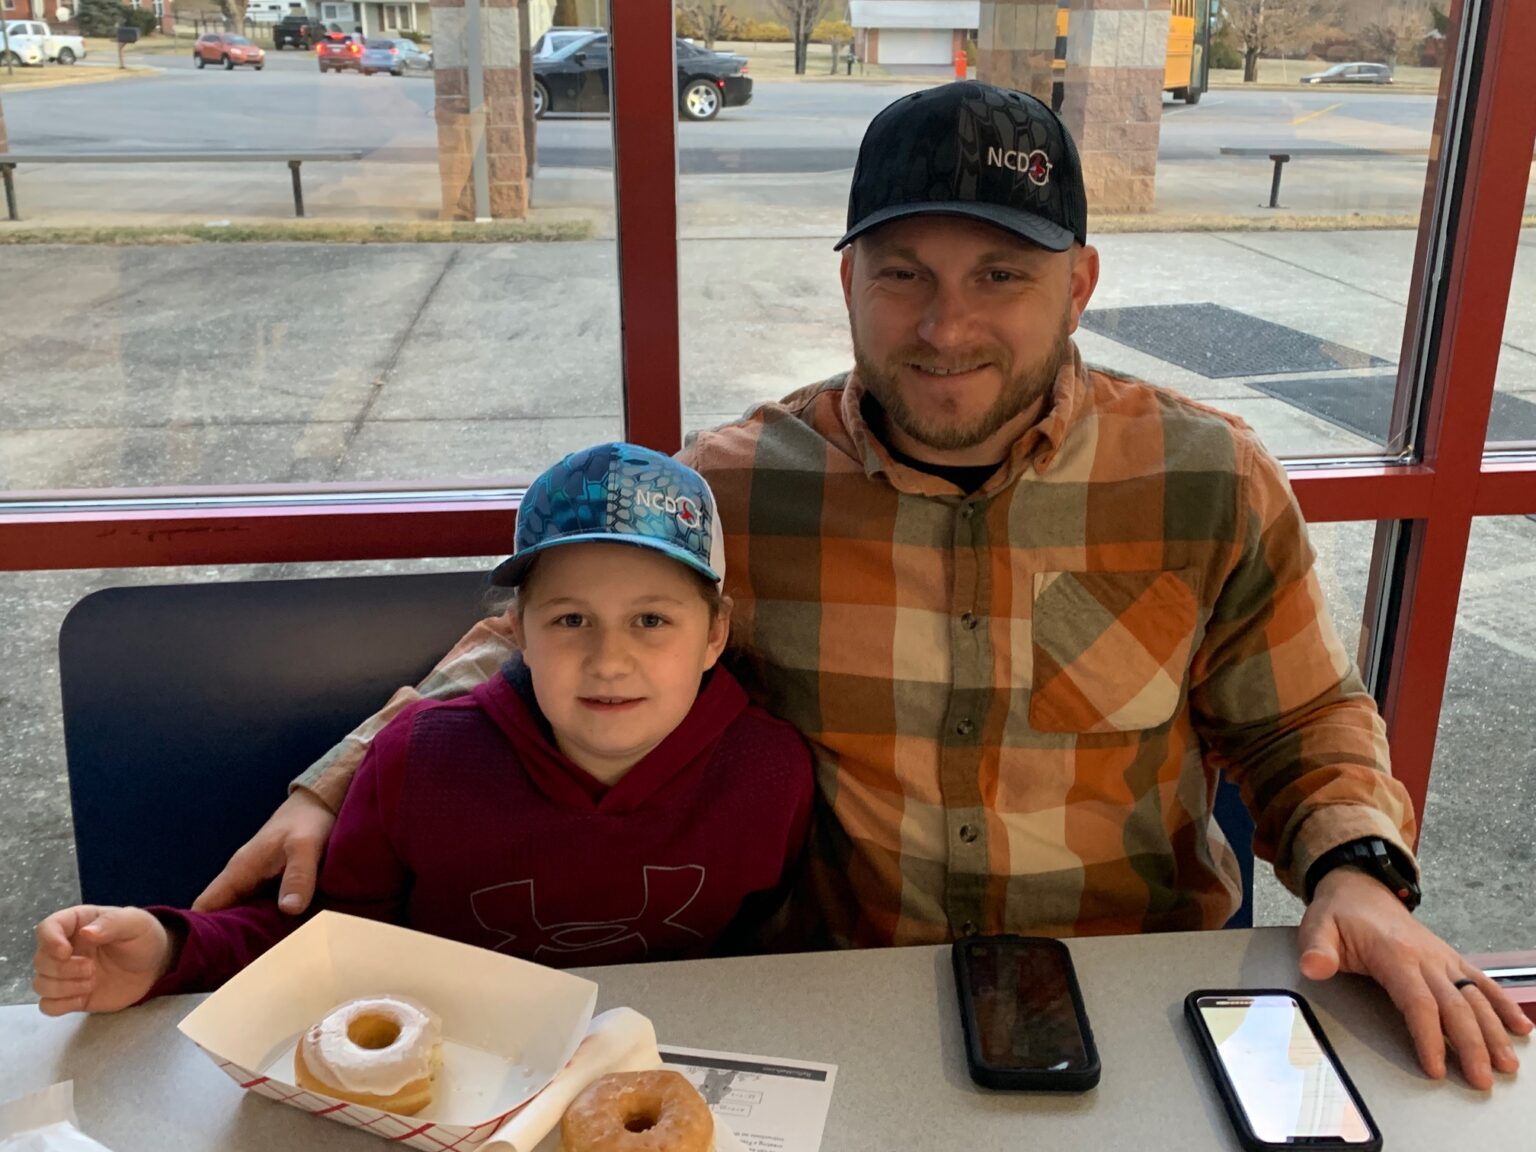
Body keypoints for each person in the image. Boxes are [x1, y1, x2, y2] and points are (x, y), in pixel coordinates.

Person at [178, 83, 1528, 1086]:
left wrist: (1357, 874)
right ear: (846, 281)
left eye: (1001, 275)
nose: (946, 325)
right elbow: (544, 628)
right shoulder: (738, 485)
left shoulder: (1207, 478)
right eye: (902, 275)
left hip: (1130, 988)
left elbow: (1302, 722)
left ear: (1079, 285)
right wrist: (338, 780)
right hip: (834, 1000)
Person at [31, 444, 813, 1011]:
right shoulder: (417, 762)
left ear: (714, 634)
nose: (610, 660)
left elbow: (771, 962)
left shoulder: (770, 772)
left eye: (652, 620)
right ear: (518, 631)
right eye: (571, 619)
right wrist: (167, 950)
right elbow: (324, 944)